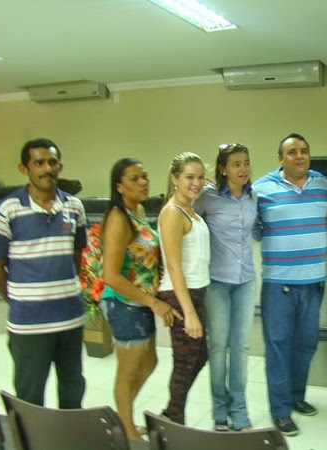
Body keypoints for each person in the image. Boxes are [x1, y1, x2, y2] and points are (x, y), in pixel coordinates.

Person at [0, 138, 87, 408]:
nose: (47, 169)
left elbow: (76, 256)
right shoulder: (8, 210)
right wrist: (18, 300)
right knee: (30, 396)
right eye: (39, 163)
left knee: (73, 388)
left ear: (60, 166)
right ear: (25, 169)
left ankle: (68, 432)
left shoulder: (74, 207)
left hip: (69, 319)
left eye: (52, 162)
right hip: (29, 323)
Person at [253, 133, 327, 436]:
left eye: (304, 151)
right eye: (292, 152)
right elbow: (252, 227)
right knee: (278, 347)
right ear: (280, 158)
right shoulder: (261, 188)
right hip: (279, 284)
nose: (299, 156)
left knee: (306, 345)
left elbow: (326, 219)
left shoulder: (322, 184)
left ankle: (297, 396)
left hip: (314, 282)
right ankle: (280, 411)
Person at [100, 158, 178, 440]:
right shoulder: (118, 219)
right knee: (129, 370)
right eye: (134, 179)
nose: (143, 182)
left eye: (144, 176)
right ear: (119, 186)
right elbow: (111, 276)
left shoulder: (139, 210)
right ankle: (125, 429)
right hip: (123, 303)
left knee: (149, 362)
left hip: (141, 302)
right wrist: (154, 302)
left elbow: (142, 258)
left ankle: (122, 417)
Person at [194, 143, 257, 432]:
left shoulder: (253, 196)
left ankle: (239, 410)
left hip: (245, 281)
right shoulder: (207, 197)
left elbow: (258, 229)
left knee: (241, 347)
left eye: (246, 163)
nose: (243, 169)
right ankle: (220, 409)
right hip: (217, 282)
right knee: (218, 346)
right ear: (223, 169)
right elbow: (184, 219)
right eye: (236, 164)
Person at [157, 152, 210, 425]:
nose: (196, 183)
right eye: (189, 177)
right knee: (185, 362)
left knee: (198, 357)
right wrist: (189, 313)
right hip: (181, 295)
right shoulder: (172, 212)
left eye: (200, 177)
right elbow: (174, 266)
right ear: (174, 179)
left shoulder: (190, 209)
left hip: (196, 293)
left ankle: (170, 414)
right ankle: (173, 421)